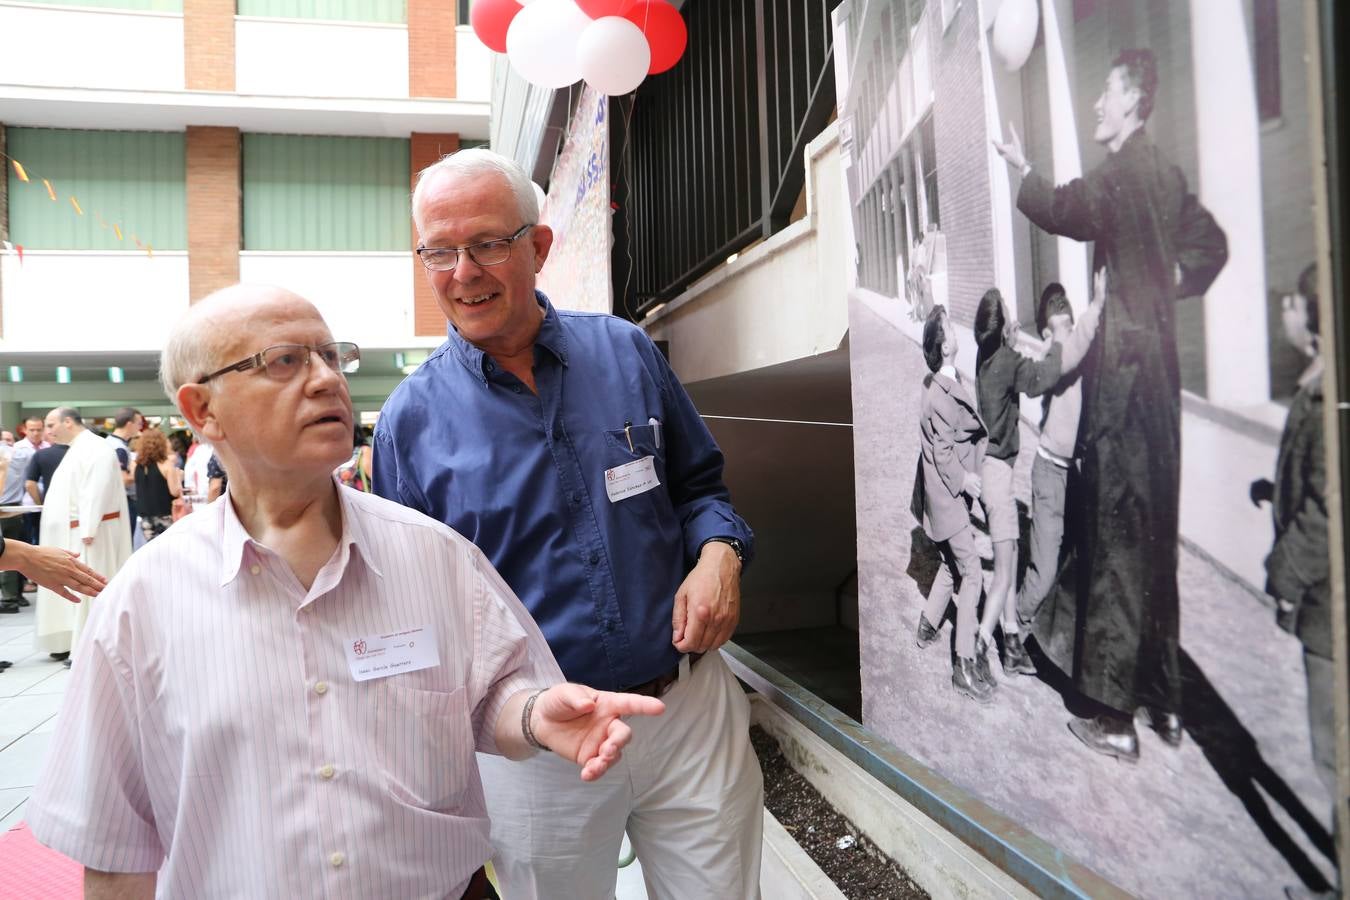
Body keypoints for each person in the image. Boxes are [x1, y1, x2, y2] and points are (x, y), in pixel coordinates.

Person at [25, 283, 664, 900]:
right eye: (283, 361)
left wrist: (533, 714)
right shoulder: (140, 605)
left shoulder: (435, 555)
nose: (328, 378)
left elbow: (495, 691)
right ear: (201, 410)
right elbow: (114, 852)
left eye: (331, 356)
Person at [374, 148, 763, 900]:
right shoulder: (408, 425)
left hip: (687, 711)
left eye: (488, 243)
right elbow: (412, 617)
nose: (464, 273)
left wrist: (719, 553)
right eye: (440, 252)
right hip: (539, 748)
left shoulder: (624, 351)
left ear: (539, 246)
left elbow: (700, 487)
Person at [993, 48, 1228, 761]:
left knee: (1121, 542)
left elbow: (1065, 207)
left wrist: (1019, 168)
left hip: (1124, 383)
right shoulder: (1166, 174)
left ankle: (1117, 721)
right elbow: (1211, 249)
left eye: (1105, 95)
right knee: (1155, 537)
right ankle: (1167, 706)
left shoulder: (1123, 173)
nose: (1096, 106)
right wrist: (1162, 296)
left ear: (1131, 102)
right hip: (1162, 384)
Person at [1249, 264, 1336, 900]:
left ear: (1312, 317)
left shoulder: (1324, 396)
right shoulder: (1318, 387)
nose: (1281, 312)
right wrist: (1272, 491)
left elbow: (1327, 509)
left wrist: (1282, 573)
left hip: (1331, 613)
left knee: (1336, 759)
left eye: (1289, 304)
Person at [970, 276, 1103, 685]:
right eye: (1009, 314)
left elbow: (1014, 357)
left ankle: (1012, 642)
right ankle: (976, 651)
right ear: (1004, 325)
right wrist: (1088, 314)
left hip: (992, 471)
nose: (1014, 317)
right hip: (999, 474)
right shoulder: (1009, 362)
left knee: (1008, 564)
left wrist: (1021, 341)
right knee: (1006, 572)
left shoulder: (985, 357)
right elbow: (1043, 375)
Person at [911, 304, 991, 702]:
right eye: (950, 329)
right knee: (972, 573)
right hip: (948, 500)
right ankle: (963, 664)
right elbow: (943, 456)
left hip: (943, 500)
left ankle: (927, 625)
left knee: (949, 564)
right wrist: (968, 481)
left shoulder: (939, 382)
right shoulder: (939, 397)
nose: (956, 332)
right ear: (944, 346)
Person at [1016, 282, 1099, 635]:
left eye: (1063, 299)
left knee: (1073, 560)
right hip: (1050, 474)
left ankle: (1051, 634)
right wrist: (1096, 304)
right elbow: (1072, 351)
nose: (1061, 303)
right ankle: (1013, 626)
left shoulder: (1074, 341)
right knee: (1045, 569)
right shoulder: (1054, 354)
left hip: (1072, 474)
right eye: (1059, 325)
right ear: (1047, 333)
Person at [33, 407, 132, 665]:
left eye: (51, 424)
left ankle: (90, 645)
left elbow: (96, 489)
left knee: (89, 585)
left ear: (68, 422)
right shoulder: (79, 447)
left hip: (92, 533)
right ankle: (73, 641)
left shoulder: (96, 447)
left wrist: (88, 527)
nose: (48, 431)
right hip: (79, 531)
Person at [0, 415, 45, 612]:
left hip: (11, 509)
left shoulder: (19, 452)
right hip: (15, 509)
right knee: (14, 552)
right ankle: (14, 595)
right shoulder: (18, 453)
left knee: (7, 553)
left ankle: (10, 598)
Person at [132, 428, 182, 542]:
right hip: (164, 515)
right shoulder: (166, 464)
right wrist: (178, 477)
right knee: (167, 549)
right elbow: (174, 491)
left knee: (151, 549)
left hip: (144, 516)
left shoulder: (136, 465)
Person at [106, 407, 143, 543]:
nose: (140, 427)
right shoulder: (119, 448)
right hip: (124, 502)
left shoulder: (109, 442)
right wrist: (136, 470)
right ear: (129, 424)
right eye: (138, 423)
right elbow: (123, 480)